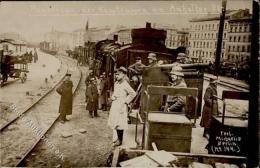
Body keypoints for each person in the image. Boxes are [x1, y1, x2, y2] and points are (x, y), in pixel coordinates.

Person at [108, 66, 136, 147]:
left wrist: (126, 101)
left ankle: (120, 140)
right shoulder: (117, 83)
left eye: (118, 75)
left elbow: (133, 93)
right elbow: (115, 93)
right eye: (116, 75)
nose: (117, 76)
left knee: (120, 123)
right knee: (115, 122)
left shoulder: (125, 84)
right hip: (115, 104)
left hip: (121, 106)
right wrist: (113, 97)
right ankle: (118, 138)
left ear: (123, 75)